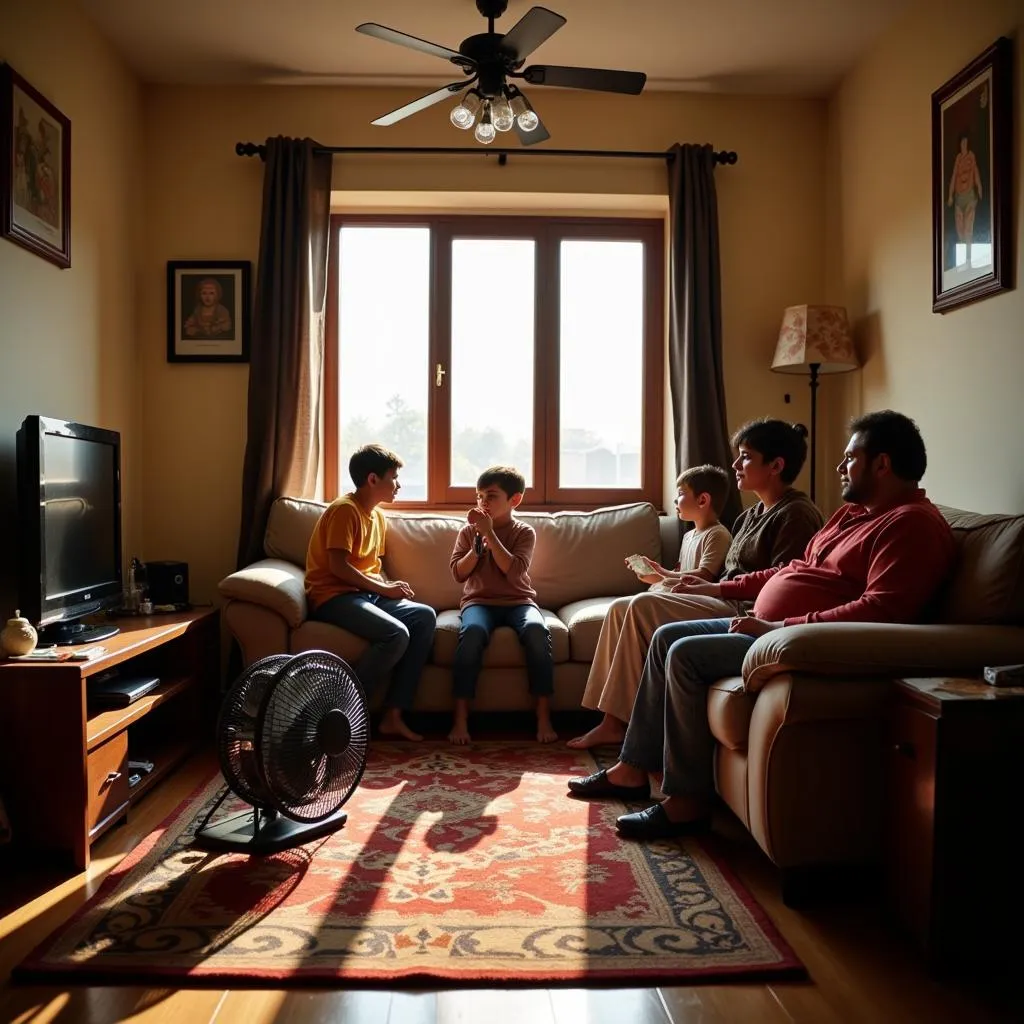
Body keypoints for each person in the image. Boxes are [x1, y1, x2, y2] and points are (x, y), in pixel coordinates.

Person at [568, 410, 956, 841]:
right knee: (665, 637)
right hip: (773, 627)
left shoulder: (911, 523)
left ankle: (685, 803)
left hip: (799, 640)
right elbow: (794, 568)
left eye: (849, 458)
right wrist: (716, 590)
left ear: (881, 464)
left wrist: (777, 627)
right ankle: (631, 769)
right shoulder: (852, 515)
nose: (839, 467)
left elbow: (882, 610)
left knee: (685, 653)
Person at [566, 420, 823, 750]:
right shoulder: (749, 515)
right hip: (725, 597)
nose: (735, 465)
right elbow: (726, 574)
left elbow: (784, 578)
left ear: (776, 465)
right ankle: (612, 721)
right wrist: (686, 582)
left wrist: (711, 588)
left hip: (746, 608)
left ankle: (625, 728)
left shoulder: (796, 514)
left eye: (745, 457)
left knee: (643, 606)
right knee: (621, 607)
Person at [305, 443, 436, 741]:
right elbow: (339, 568)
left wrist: (388, 589)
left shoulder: (377, 516)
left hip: (364, 595)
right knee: (396, 634)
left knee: (424, 617)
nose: (399, 485)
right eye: (394, 477)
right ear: (373, 479)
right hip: (333, 596)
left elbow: (370, 567)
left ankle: (394, 715)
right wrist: (384, 589)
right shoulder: (344, 511)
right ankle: (342, 712)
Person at [449, 466, 555, 745]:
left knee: (536, 630)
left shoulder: (524, 532)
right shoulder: (467, 532)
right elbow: (458, 573)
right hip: (479, 601)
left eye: (492, 496)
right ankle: (460, 719)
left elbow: (515, 571)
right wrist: (476, 546)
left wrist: (491, 535)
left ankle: (543, 716)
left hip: (518, 600)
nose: (483, 502)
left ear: (514, 500)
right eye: (479, 496)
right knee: (471, 634)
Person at [947, 135, 983, 267]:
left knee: (968, 229)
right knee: (960, 229)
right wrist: (950, 195)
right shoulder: (958, 159)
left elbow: (976, 171)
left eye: (965, 143)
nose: (964, 146)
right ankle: (964, 261)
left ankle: (968, 260)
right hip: (958, 198)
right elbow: (953, 176)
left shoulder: (971, 157)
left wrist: (979, 187)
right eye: (962, 143)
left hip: (969, 196)